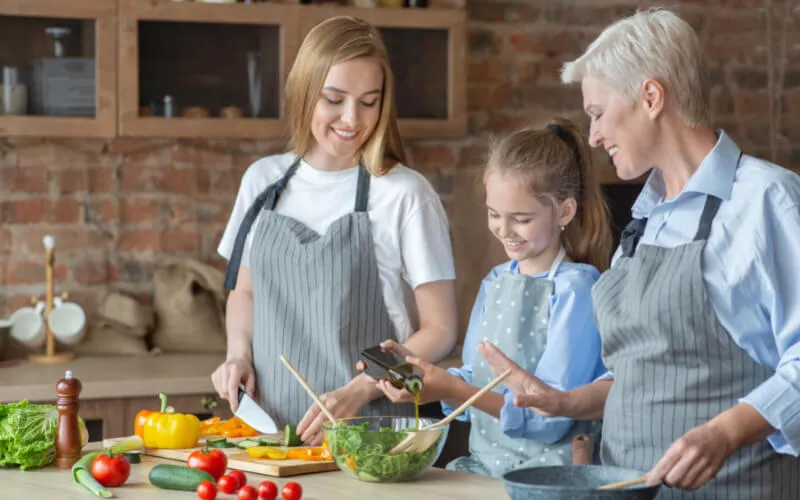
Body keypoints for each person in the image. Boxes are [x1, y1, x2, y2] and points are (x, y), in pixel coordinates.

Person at [481, 7, 800, 498]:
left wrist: (724, 432)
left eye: (597, 113)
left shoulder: (765, 199)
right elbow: (644, 376)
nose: (593, 136)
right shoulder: (645, 221)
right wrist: (564, 402)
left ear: (650, 97)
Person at [212, 16, 458, 445]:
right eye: (334, 99)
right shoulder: (262, 182)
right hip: (271, 435)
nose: (351, 118)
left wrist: (360, 389)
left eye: (369, 101)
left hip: (372, 432)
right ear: (305, 92)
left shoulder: (404, 193)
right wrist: (237, 355)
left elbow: (441, 331)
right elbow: (245, 292)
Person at [372, 118, 612, 477]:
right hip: (484, 468)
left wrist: (453, 387)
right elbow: (473, 382)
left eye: (521, 218)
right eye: (494, 214)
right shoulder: (496, 280)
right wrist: (427, 379)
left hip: (547, 475)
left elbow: (552, 417)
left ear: (564, 211)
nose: (504, 230)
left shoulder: (577, 288)